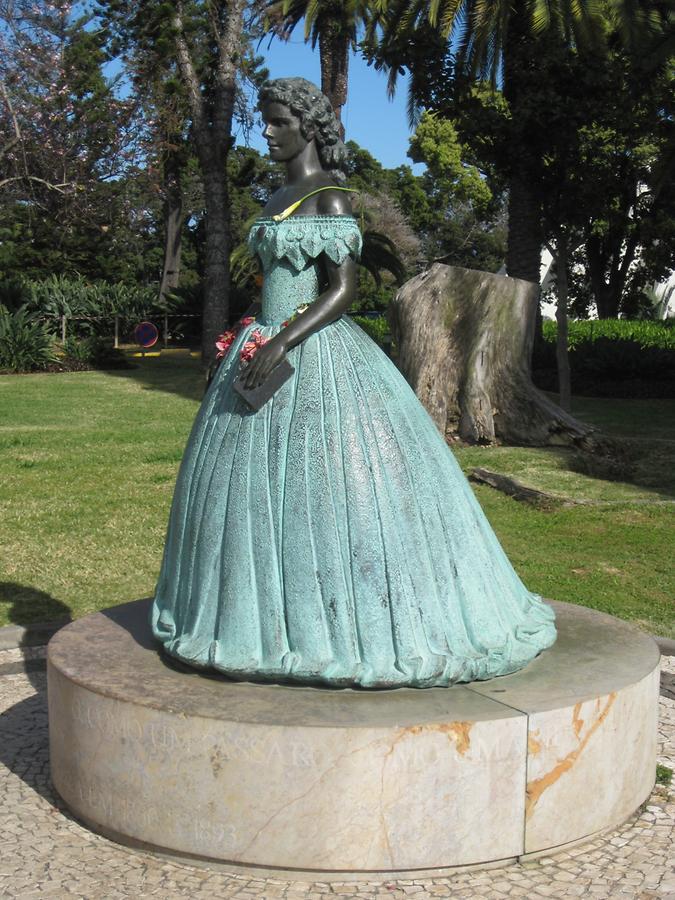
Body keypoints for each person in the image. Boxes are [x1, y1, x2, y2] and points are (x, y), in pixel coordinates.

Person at [151, 77, 556, 688]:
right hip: (260, 348)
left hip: (313, 351)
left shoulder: (330, 199)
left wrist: (283, 338)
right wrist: (245, 340)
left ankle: (354, 617)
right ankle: (253, 615)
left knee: (342, 487)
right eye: (265, 121)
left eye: (278, 121)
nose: (266, 131)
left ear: (308, 126)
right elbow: (272, 288)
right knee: (246, 494)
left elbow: (343, 291)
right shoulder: (275, 197)